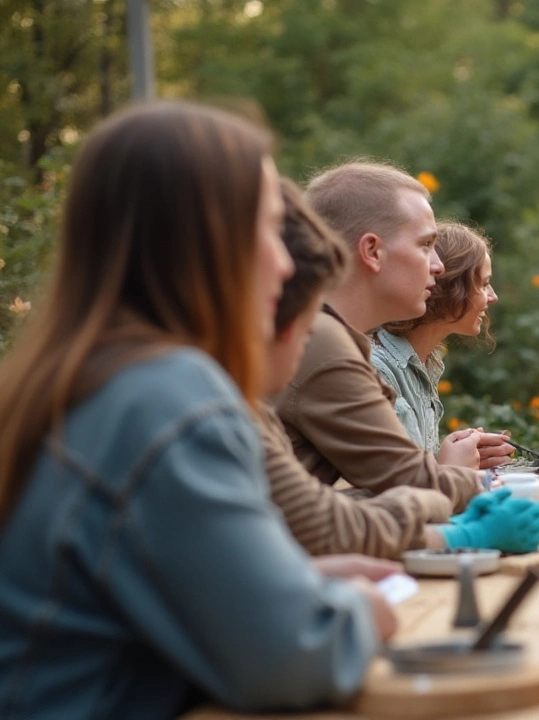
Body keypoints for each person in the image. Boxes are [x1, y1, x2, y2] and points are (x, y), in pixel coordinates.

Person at [0, 102, 391, 718]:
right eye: (266, 228)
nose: (286, 262)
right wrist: (367, 610)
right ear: (203, 242)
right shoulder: (169, 399)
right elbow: (295, 655)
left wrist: (294, 579)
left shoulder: (74, 380)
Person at [260, 182, 539, 557]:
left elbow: (321, 508)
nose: (439, 267)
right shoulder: (322, 341)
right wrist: (488, 486)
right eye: (425, 246)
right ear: (372, 251)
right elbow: (406, 479)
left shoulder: (336, 338)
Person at [370, 222, 504, 462]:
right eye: (484, 284)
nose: (493, 297)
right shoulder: (379, 370)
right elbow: (399, 486)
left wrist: (452, 461)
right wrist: (450, 470)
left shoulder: (425, 363)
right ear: (451, 286)